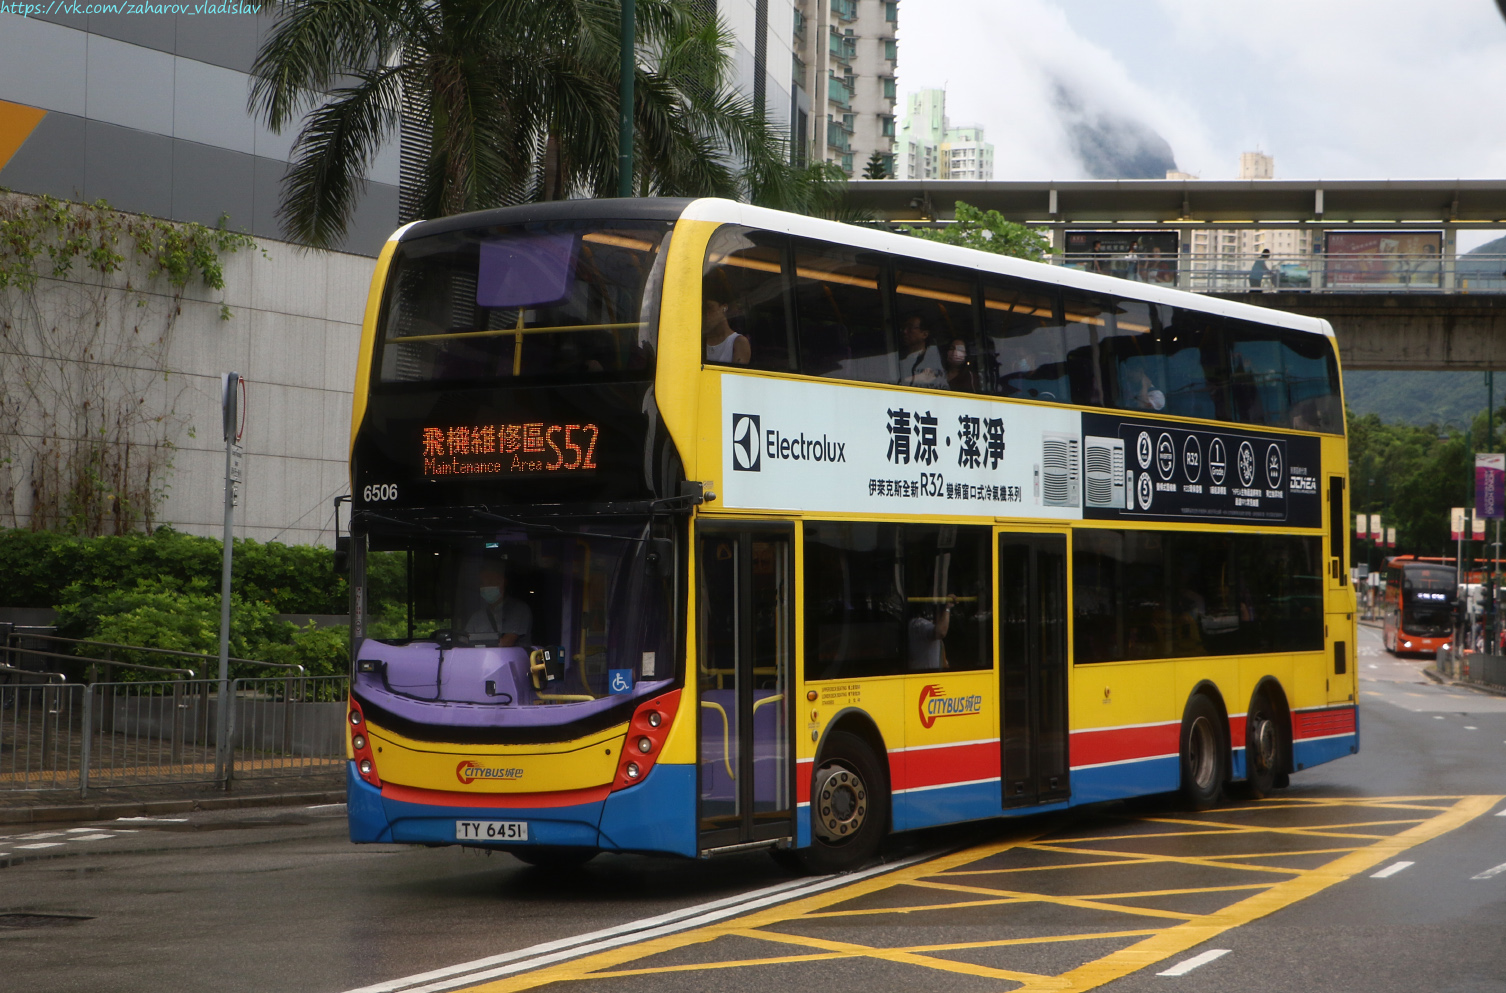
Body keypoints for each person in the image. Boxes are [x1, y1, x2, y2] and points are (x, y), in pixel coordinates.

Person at [463, 564, 533, 647]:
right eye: (482, 583)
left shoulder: (519, 610)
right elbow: (463, 642)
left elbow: (506, 643)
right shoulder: (477, 617)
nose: (486, 587)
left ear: (502, 583)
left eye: (490, 582)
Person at [909, 594, 956, 670]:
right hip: (925, 675)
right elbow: (941, 632)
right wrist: (947, 608)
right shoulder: (919, 625)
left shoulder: (918, 625)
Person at [898, 316, 947, 388]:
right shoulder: (896, 359)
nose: (905, 331)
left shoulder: (935, 360)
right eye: (903, 328)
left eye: (910, 328)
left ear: (924, 334)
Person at [703, 296, 750, 365]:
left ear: (724, 308)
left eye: (709, 308)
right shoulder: (700, 340)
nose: (706, 314)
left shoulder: (738, 342)